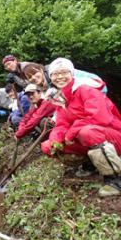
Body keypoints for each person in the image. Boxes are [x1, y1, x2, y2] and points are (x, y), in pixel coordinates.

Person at [40, 58, 121, 197]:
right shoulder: (61, 98)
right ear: (50, 77)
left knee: (87, 132)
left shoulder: (86, 89)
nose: (59, 77)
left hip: (113, 136)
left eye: (64, 72)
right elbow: (61, 124)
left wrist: (71, 132)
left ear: (72, 74)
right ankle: (92, 164)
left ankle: (115, 180)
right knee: (48, 146)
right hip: (92, 136)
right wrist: (56, 140)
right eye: (55, 74)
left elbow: (100, 118)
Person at [22, 61, 107, 94]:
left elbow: (96, 82)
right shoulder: (44, 86)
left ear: (41, 70)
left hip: (96, 89)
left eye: (34, 73)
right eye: (29, 77)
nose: (33, 77)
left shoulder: (57, 72)